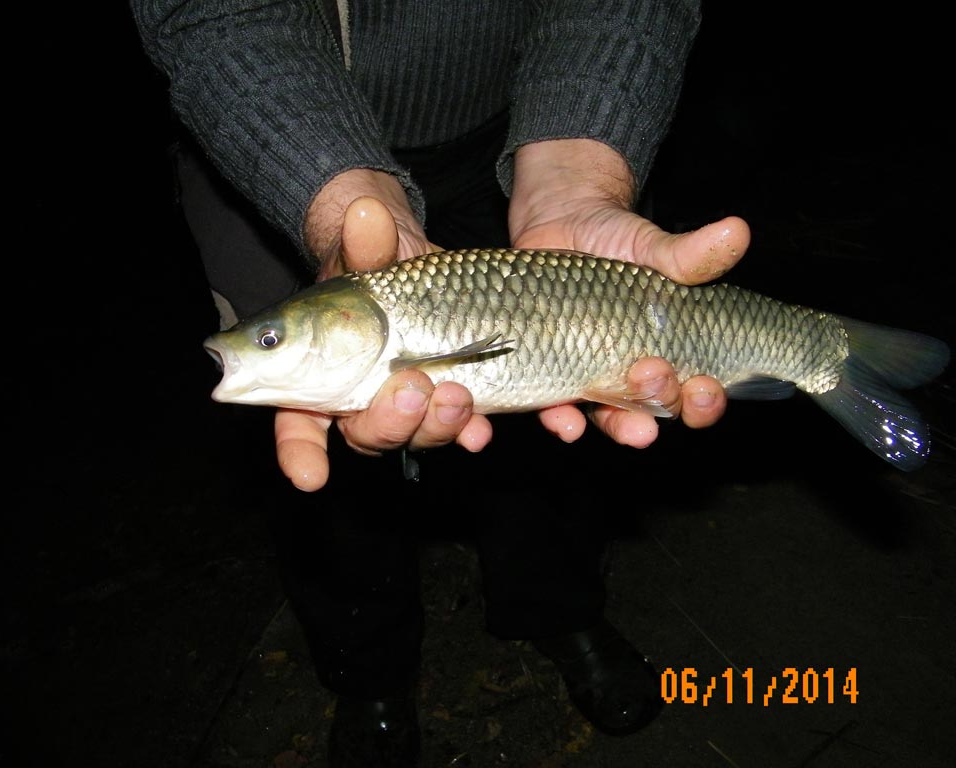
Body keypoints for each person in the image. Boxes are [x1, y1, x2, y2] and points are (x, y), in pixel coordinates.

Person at [131, 1, 751, 765]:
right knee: (323, 476)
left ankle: (562, 611)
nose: (254, 346)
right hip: (281, 141)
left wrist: (577, 169)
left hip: (528, 123)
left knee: (571, 422)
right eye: (269, 339)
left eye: (269, 340)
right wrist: (331, 185)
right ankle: (369, 677)